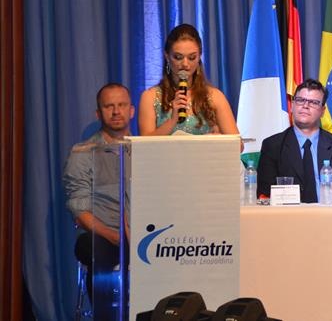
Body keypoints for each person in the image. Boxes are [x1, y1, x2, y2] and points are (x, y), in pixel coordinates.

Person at [63, 83, 134, 316]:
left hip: (144, 235)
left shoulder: (146, 150)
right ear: (98, 113)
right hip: (105, 236)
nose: (116, 111)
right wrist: (115, 236)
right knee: (92, 248)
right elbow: (79, 209)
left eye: (121, 105)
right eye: (109, 106)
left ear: (131, 110)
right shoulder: (83, 153)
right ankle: (107, 315)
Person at [257, 78, 332, 202]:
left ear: (322, 111)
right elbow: (265, 195)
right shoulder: (272, 147)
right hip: (287, 214)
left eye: (313, 102)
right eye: (300, 100)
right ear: (292, 106)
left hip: (330, 213)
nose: (305, 106)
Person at [138, 23, 238, 136]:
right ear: (167, 56)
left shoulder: (214, 96)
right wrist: (172, 121)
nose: (185, 64)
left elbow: (237, 143)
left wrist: (217, 139)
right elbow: (144, 144)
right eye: (178, 57)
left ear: (199, 57)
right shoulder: (150, 97)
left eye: (192, 57)